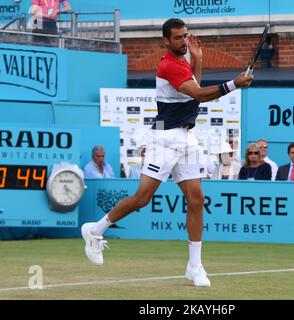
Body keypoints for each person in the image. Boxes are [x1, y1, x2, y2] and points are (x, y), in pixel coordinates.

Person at [81, 18, 253, 287]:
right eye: (178, 38)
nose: (184, 41)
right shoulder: (168, 65)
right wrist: (234, 84)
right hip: (163, 139)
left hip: (186, 138)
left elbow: (193, 87)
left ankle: (195, 267)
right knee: (142, 199)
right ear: (165, 40)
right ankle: (95, 230)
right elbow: (199, 94)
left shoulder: (183, 61)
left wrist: (197, 60)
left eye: (186, 36)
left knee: (196, 200)